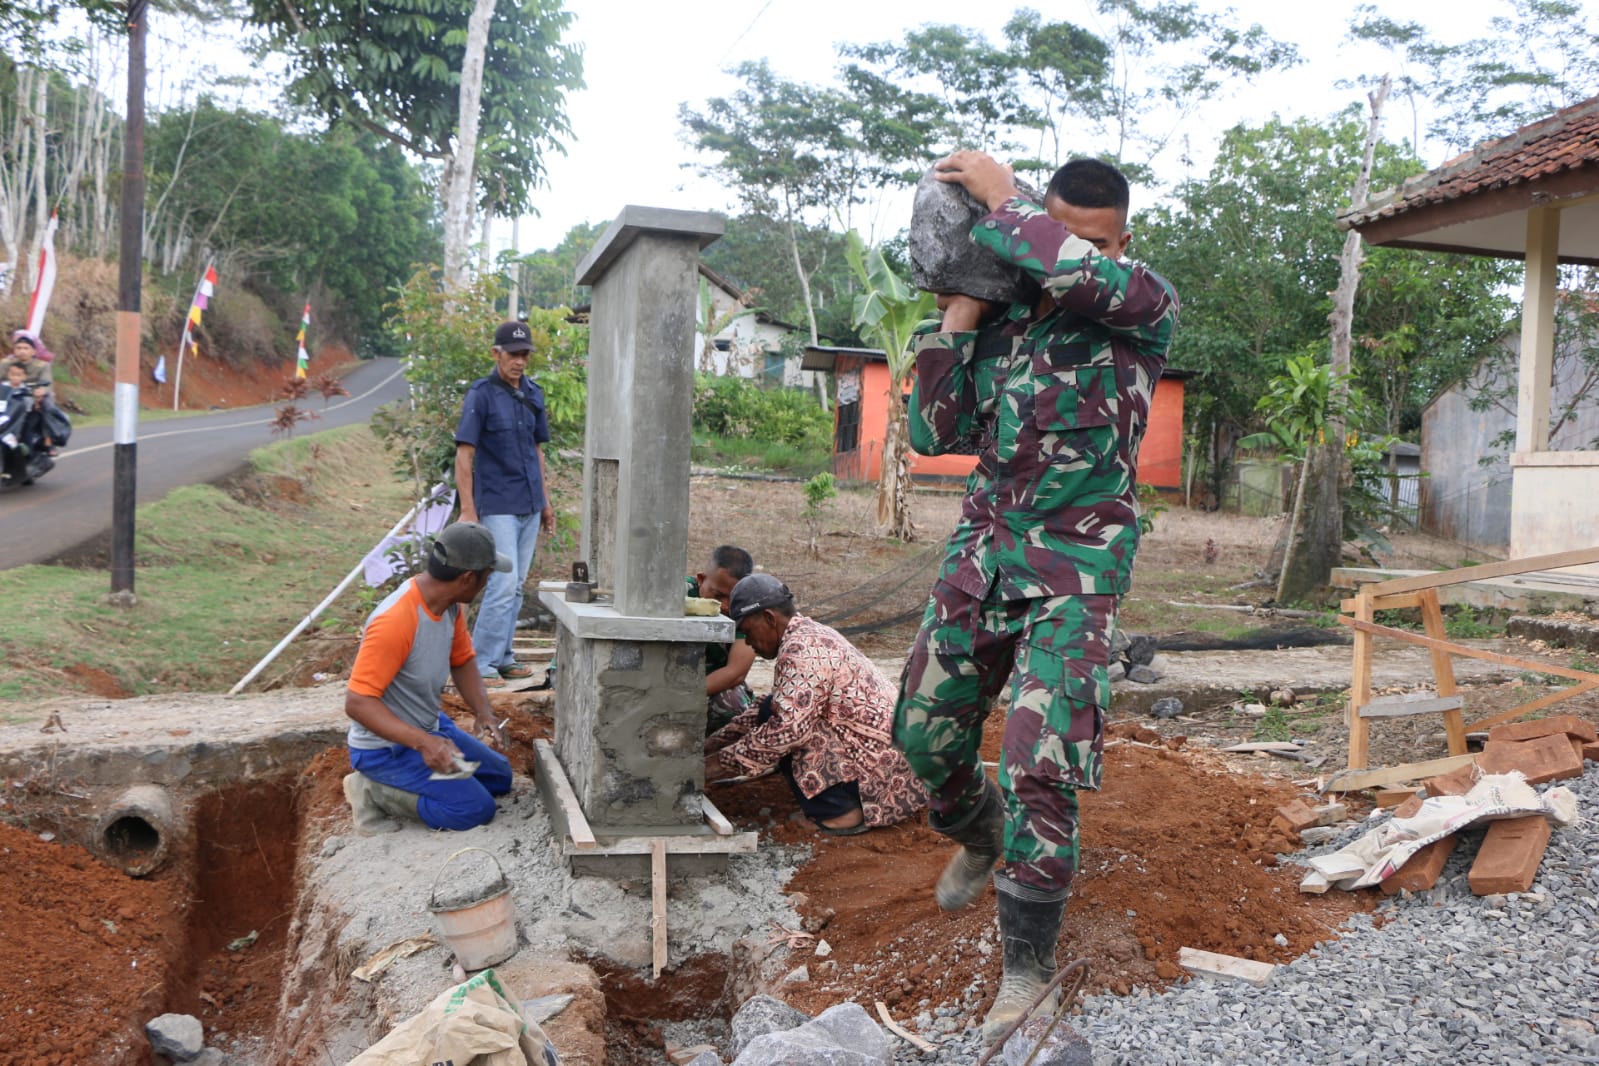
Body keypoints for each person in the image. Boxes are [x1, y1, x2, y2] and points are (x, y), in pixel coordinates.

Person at [892, 152, 1179, 1042]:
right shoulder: (1012, 316)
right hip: (984, 553)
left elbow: (1072, 267)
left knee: (1039, 767)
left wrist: (1005, 202)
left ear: (1118, 239)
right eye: (1057, 229)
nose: (1068, 257)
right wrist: (963, 310)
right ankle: (977, 833)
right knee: (922, 733)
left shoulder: (1140, 303)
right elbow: (933, 431)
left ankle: (1027, 975)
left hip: (1076, 570)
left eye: (1088, 238)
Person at [705, 574, 926, 836]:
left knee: (791, 731)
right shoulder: (805, 634)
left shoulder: (802, 652)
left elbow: (785, 732)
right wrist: (710, 747)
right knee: (771, 710)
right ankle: (839, 799)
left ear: (768, 618)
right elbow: (767, 710)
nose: (748, 642)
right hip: (895, 753)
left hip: (886, 772)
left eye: (747, 631)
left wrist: (707, 769)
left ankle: (842, 813)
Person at [343, 521, 515, 834]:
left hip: (428, 726)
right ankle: (372, 791)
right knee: (474, 809)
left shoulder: (450, 606)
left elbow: (462, 661)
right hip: (385, 748)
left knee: (499, 777)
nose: (487, 584)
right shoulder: (395, 620)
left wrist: (483, 712)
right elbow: (357, 703)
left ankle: (435, 774)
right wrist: (425, 743)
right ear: (467, 578)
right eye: (487, 577)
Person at [454, 320, 556, 688]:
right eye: (513, 354)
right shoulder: (481, 395)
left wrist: (545, 502)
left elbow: (537, 450)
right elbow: (465, 455)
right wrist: (468, 509)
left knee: (516, 585)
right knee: (502, 581)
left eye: (525, 354)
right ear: (496, 354)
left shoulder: (533, 393)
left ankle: (504, 657)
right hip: (497, 504)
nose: (520, 361)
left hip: (529, 502)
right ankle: (480, 663)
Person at [688, 544, 757, 733]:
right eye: (718, 595)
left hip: (712, 685)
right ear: (701, 580)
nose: (725, 606)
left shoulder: (746, 608)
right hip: (667, 678)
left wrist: (683, 696)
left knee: (734, 707)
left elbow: (735, 672)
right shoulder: (677, 594)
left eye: (733, 597)